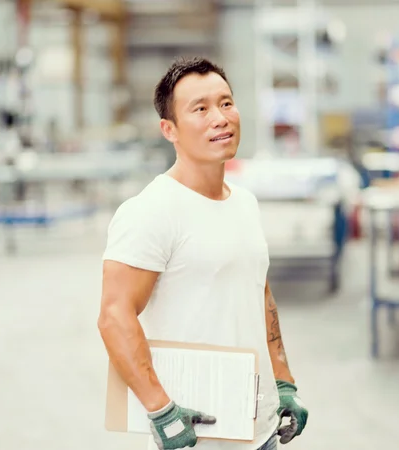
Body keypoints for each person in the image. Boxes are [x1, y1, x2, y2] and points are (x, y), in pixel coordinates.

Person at [98, 57, 308, 450]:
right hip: (196, 436)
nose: (220, 118)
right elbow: (114, 316)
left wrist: (283, 380)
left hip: (258, 429)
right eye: (200, 109)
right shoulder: (150, 211)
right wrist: (159, 408)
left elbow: (258, 293)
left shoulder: (245, 203)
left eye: (226, 103)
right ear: (169, 129)